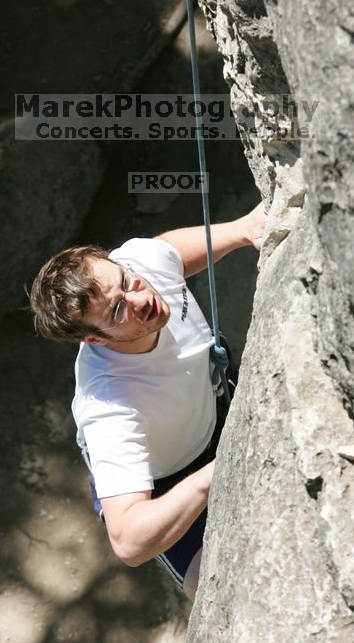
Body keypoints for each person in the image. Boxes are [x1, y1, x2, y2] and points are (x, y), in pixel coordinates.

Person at [30, 202, 266, 602]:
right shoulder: (109, 405)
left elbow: (168, 250)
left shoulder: (136, 266)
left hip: (212, 406)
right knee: (228, 597)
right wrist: (217, 474)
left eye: (126, 280)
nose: (138, 299)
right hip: (162, 484)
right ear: (94, 338)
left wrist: (242, 230)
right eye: (118, 310)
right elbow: (129, 539)